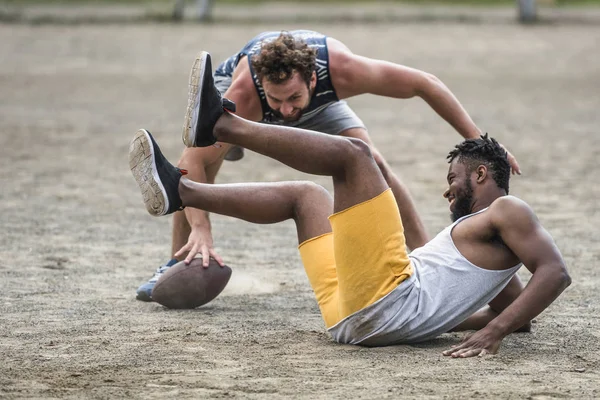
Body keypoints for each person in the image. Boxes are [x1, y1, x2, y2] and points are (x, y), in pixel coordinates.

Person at [128, 69, 570, 357]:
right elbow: (520, 318)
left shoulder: (508, 209)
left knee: (357, 156)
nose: (446, 189)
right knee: (304, 197)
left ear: (479, 175)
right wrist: (463, 324)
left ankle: (221, 125)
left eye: (452, 178)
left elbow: (554, 272)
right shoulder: (497, 259)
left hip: (384, 302)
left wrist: (492, 333)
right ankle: (181, 191)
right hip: (353, 314)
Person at [136, 30, 522, 301]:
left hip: (321, 103)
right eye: (278, 99)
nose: (286, 110)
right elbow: (190, 165)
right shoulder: (247, 95)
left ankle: (417, 254)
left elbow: (426, 83)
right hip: (243, 107)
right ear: (264, 88)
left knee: (372, 162)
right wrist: (202, 230)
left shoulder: (342, 70)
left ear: (312, 77)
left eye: (293, 97)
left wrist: (482, 143)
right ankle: (178, 257)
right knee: (207, 165)